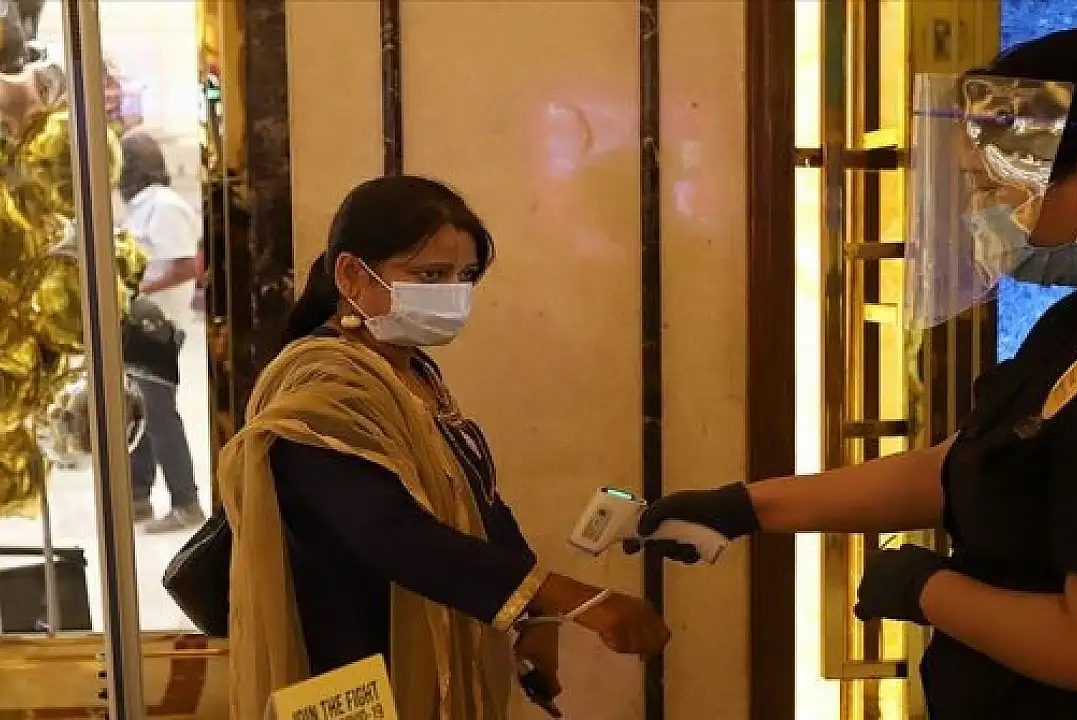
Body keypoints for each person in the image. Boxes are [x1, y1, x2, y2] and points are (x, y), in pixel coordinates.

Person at [631, 6, 1077, 719]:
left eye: (997, 187)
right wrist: (748, 508)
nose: (980, 212)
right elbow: (976, 463)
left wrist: (927, 589)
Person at [216, 176, 670, 719]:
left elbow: (476, 501)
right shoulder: (322, 385)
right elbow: (389, 532)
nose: (453, 293)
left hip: (432, 652)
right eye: (430, 275)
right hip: (350, 666)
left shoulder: (411, 373)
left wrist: (534, 617)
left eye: (465, 276)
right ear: (352, 274)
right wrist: (567, 597)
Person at [120, 128, 206, 532]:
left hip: (159, 327)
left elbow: (187, 266)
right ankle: (138, 496)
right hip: (140, 324)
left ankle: (186, 502)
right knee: (135, 411)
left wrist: (133, 288)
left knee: (159, 416)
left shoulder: (165, 207)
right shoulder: (143, 207)